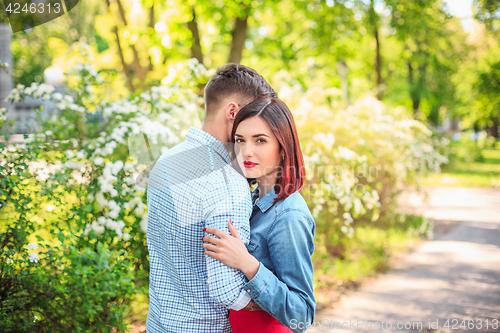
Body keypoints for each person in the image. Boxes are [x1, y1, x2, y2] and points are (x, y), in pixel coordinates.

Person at [145, 64, 277, 332]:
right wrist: (278, 299)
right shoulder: (227, 182)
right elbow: (228, 291)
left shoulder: (166, 160)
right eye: (255, 114)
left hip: (158, 324)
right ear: (232, 112)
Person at [202, 98, 316, 333]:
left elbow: (302, 314)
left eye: (260, 140)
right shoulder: (250, 199)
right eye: (240, 140)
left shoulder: (289, 215)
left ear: (283, 148)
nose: (246, 151)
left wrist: (248, 264)